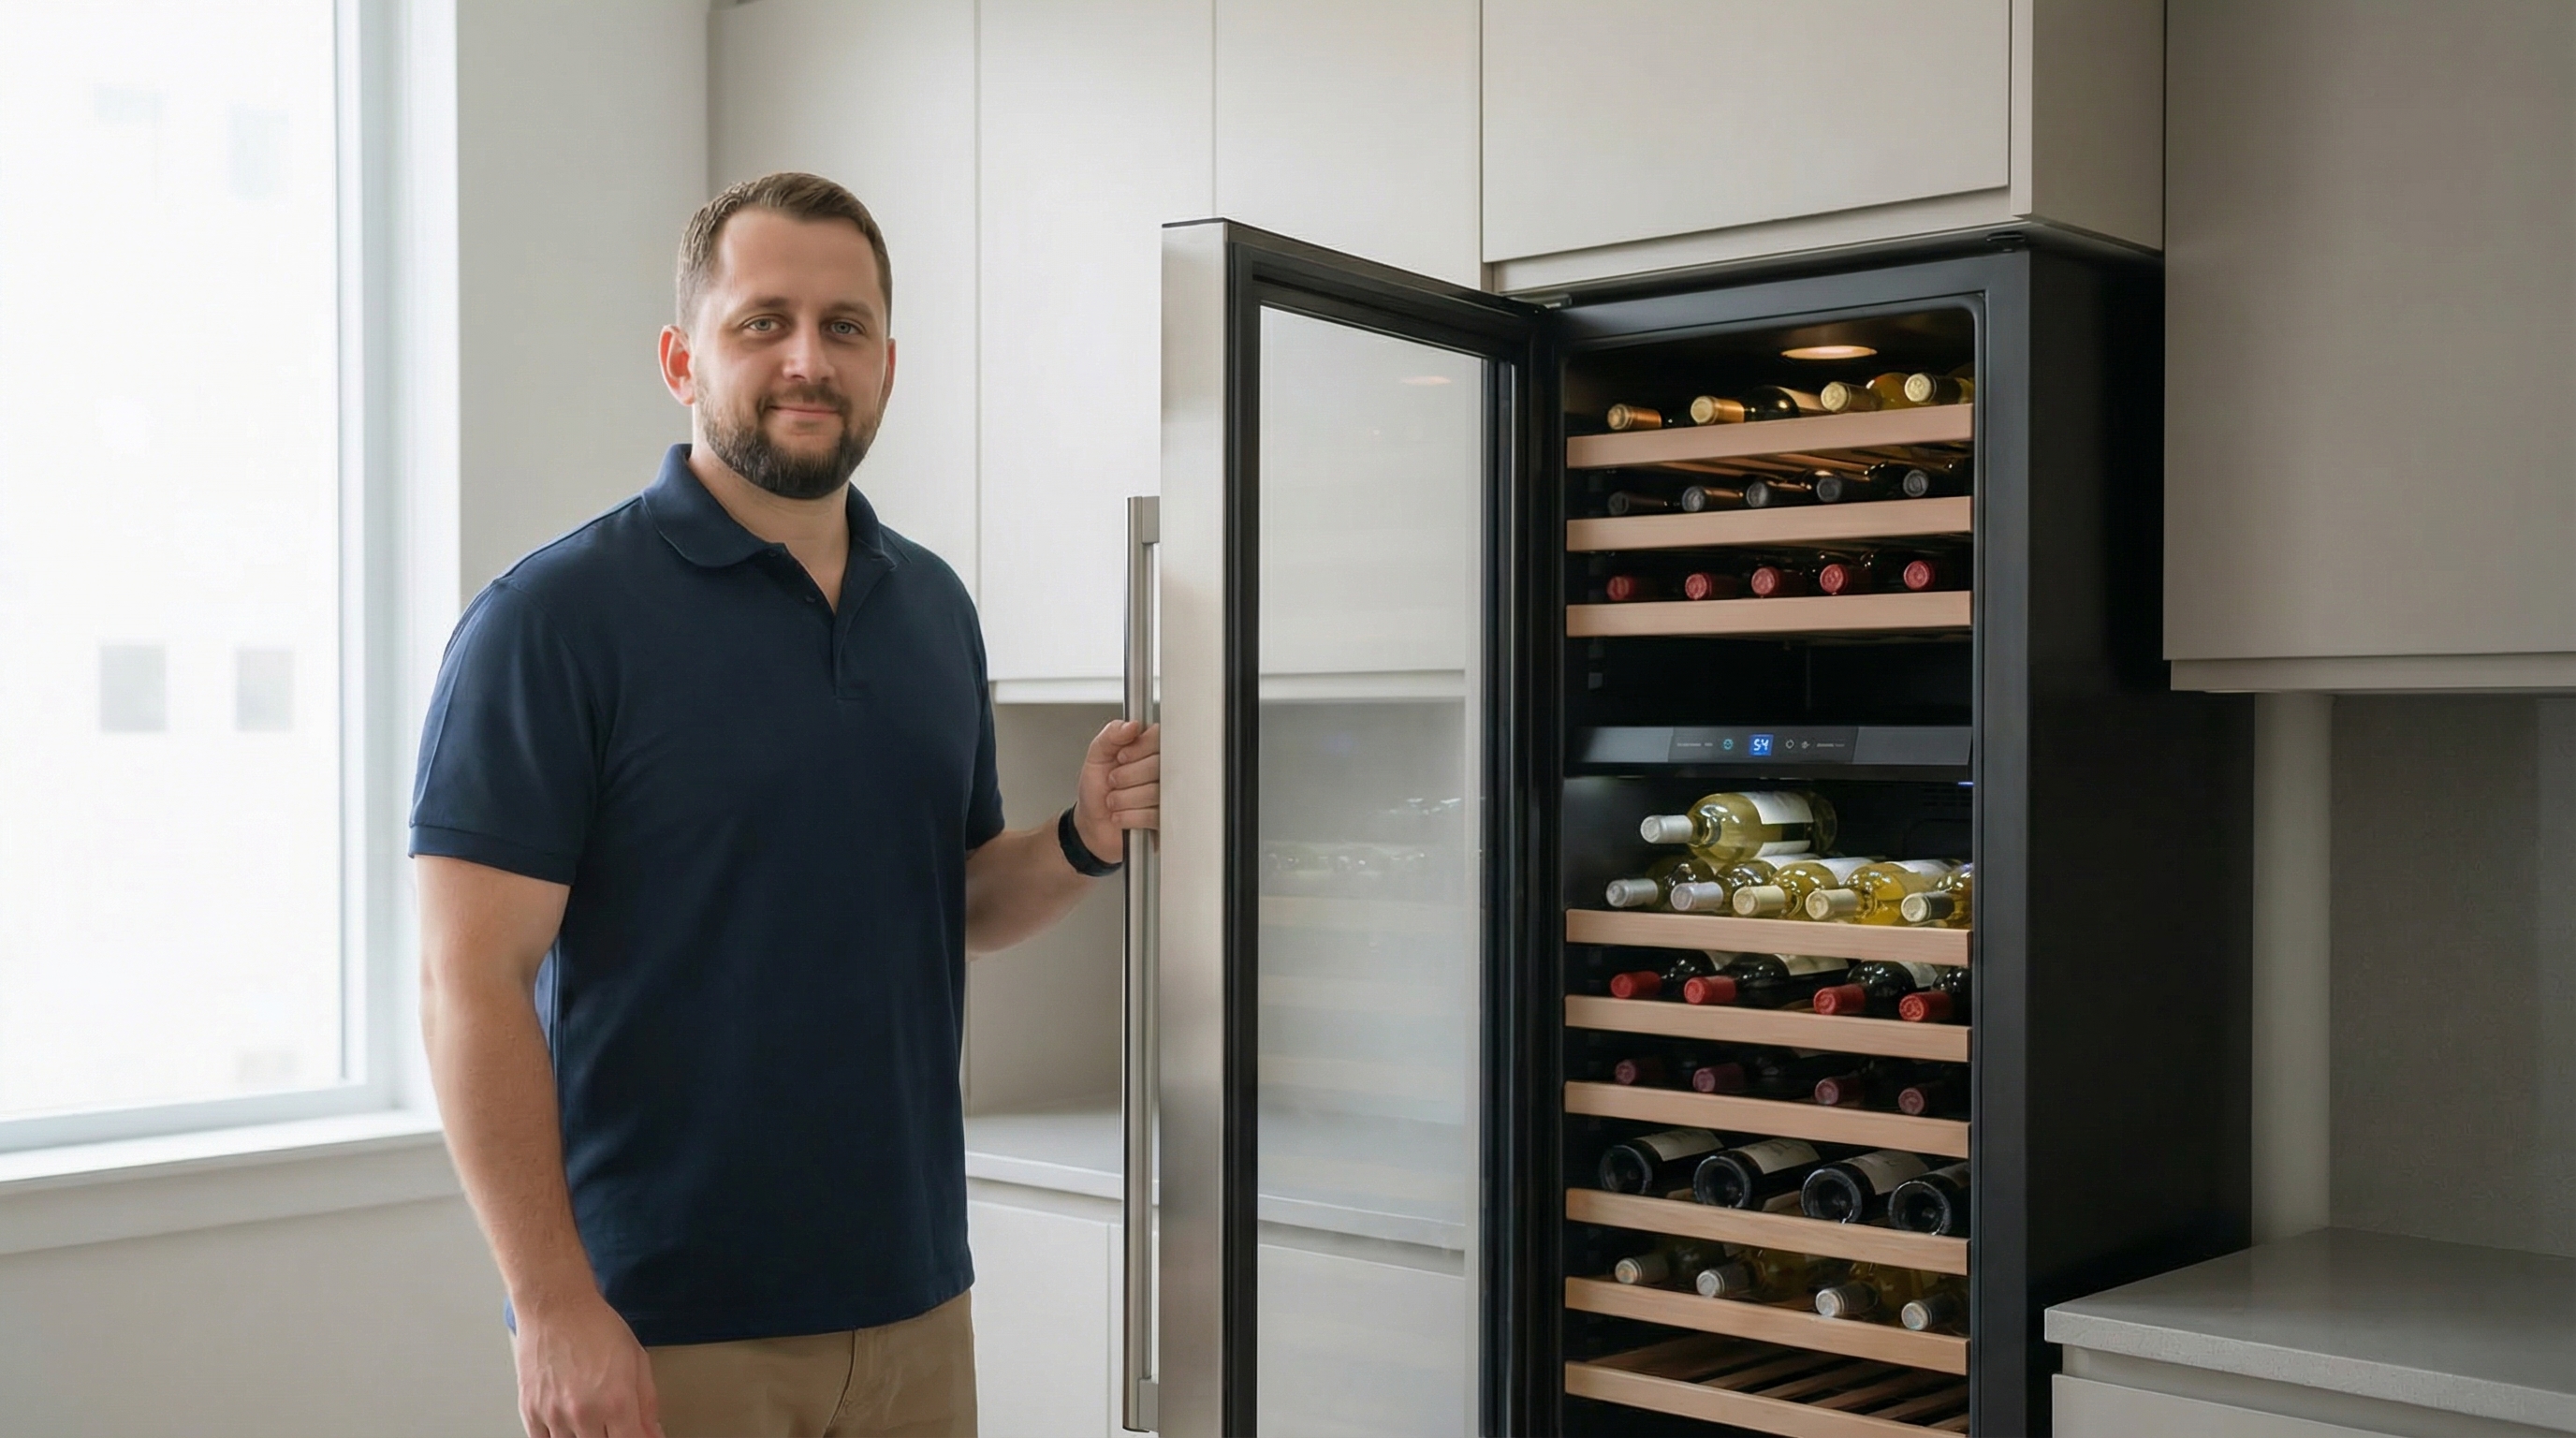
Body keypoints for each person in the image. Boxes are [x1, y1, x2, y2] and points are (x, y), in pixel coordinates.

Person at [412, 171, 1157, 1438]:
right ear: (681, 360)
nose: (808, 360)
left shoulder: (931, 609)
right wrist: (551, 1306)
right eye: (763, 322)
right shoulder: (551, 624)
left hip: (916, 1303)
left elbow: (955, 896)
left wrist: (1083, 836)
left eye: (845, 327)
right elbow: (466, 984)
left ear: (888, 365)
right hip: (663, 1326)